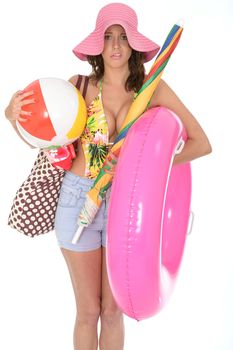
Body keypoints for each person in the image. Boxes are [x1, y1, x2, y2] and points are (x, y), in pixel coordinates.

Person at [5, 2, 212, 350]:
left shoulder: (151, 90)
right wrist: (11, 116)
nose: (115, 45)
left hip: (126, 207)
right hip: (76, 201)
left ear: (133, 45)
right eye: (108, 37)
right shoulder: (80, 87)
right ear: (98, 45)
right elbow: (41, 140)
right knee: (88, 311)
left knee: (114, 311)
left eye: (123, 37)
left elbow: (200, 143)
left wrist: (147, 166)